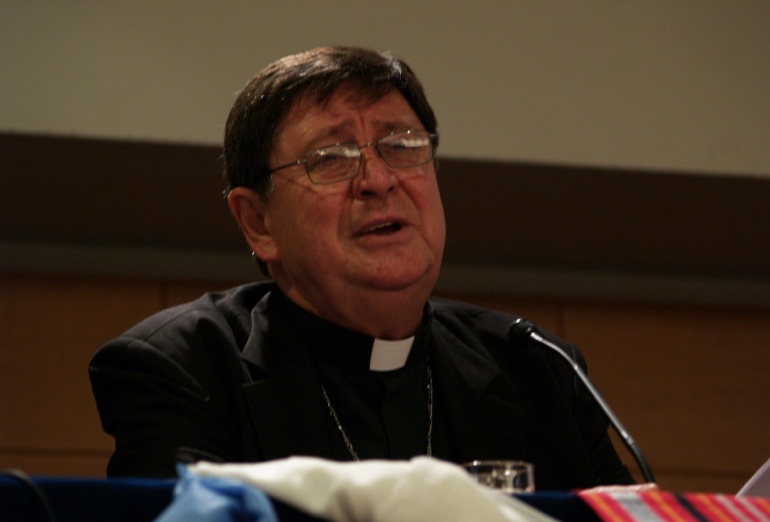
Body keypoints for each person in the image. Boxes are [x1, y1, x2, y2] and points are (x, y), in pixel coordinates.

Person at [89, 46, 634, 490]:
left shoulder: (538, 368)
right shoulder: (183, 369)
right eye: (331, 158)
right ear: (258, 223)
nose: (378, 179)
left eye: (402, 145)